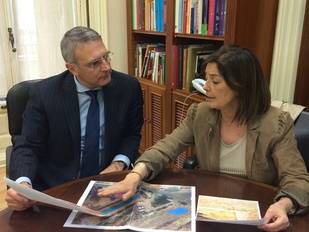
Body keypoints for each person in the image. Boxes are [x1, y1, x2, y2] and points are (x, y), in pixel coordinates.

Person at [99, 45, 309, 232]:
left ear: (241, 86)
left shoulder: (275, 123)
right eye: (206, 78)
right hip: (210, 211)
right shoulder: (200, 113)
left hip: (258, 216)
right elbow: (165, 148)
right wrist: (134, 176)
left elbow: (298, 179)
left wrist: (283, 205)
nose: (205, 86)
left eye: (215, 81)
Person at [6, 26, 144, 211]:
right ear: (72, 68)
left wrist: (118, 164)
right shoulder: (44, 95)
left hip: (108, 186)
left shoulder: (128, 87)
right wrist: (23, 185)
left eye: (106, 56)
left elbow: (131, 134)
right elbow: (27, 146)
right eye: (95, 63)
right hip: (57, 191)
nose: (106, 67)